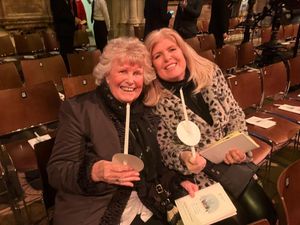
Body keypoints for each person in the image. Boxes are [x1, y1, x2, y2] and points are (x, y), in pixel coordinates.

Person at [47, 36, 198, 225]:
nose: (130, 80)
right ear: (107, 75)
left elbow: (154, 167)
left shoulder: (145, 110)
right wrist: (94, 172)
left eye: (137, 73)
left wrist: (177, 182)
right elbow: (56, 171)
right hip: (96, 211)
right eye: (123, 71)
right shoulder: (79, 110)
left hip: (144, 203)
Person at [144, 28, 278, 225]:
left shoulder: (209, 72)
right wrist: (183, 157)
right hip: (196, 177)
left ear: (182, 50)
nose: (167, 58)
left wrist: (237, 146)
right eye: (157, 55)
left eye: (172, 49)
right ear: (152, 65)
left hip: (230, 164)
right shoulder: (152, 100)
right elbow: (163, 147)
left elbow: (235, 114)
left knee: (265, 215)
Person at [50, 0, 81, 72]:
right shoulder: (56, 1)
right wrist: (73, 19)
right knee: (65, 54)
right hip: (63, 31)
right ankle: (67, 72)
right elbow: (60, 15)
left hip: (68, 31)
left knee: (69, 53)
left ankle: (69, 71)